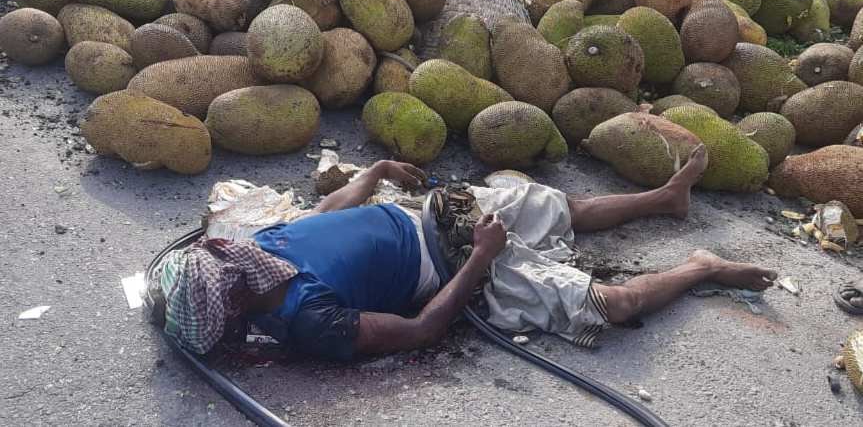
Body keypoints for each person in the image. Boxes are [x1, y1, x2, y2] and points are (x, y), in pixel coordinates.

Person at [156, 145, 778, 359]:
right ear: (239, 301)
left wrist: (374, 172)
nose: (238, 253)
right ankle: (701, 267)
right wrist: (482, 255)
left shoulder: (257, 252)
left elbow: (323, 215)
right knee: (610, 306)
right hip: (461, 266)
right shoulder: (307, 319)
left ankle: (666, 198)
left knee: (560, 205)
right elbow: (421, 330)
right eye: (232, 263)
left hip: (432, 212)